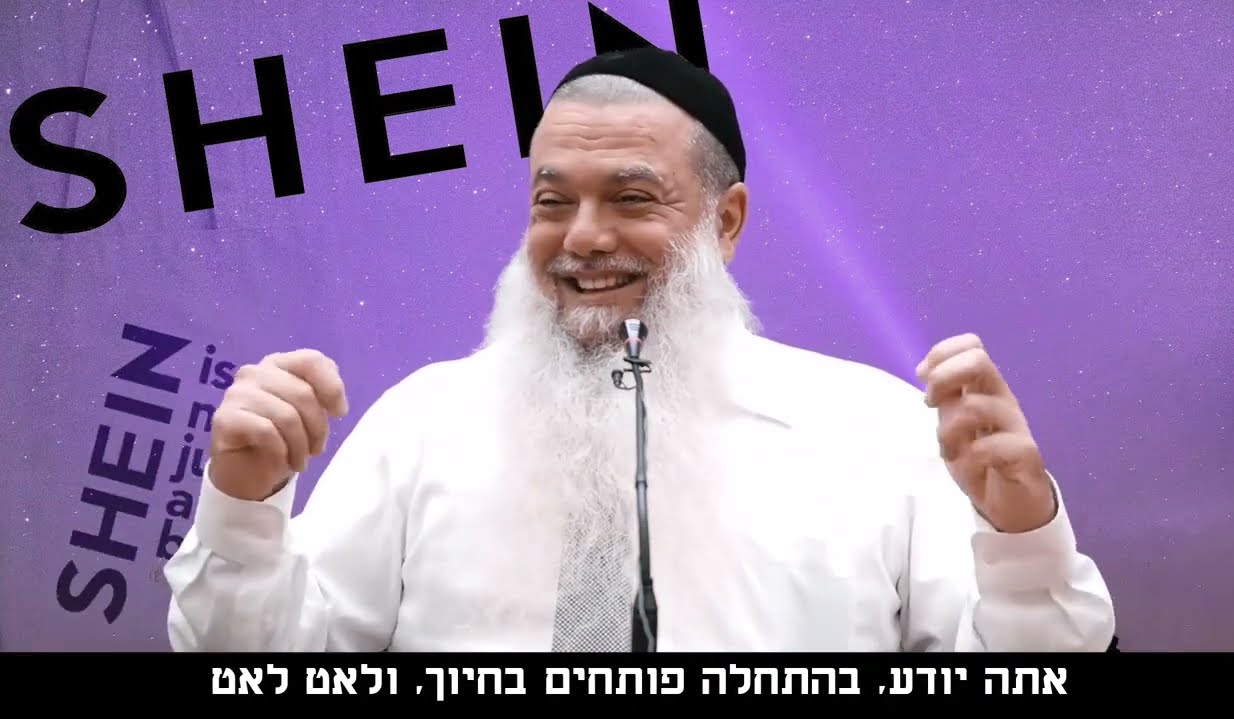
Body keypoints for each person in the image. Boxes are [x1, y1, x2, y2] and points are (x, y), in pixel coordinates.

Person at [164, 47, 1115, 652]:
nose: (582, 238)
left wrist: (1023, 536)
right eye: (552, 201)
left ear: (725, 221)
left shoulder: (873, 430)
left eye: (630, 198)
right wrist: (244, 509)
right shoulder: (425, 420)